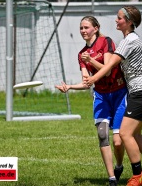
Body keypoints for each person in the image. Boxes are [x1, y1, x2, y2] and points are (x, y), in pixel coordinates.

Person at [83, 6, 142, 186]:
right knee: (135, 134)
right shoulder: (130, 39)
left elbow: (109, 66)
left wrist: (93, 79)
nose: (116, 20)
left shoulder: (128, 41)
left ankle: (138, 174)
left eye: (119, 18)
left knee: (125, 134)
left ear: (129, 21)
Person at [55, 16, 127, 186]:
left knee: (117, 141)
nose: (83, 31)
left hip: (118, 93)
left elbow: (108, 71)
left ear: (96, 28)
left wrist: (91, 61)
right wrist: (70, 87)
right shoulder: (81, 54)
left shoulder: (106, 42)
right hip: (101, 95)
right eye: (81, 28)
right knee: (102, 135)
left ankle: (119, 165)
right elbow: (87, 82)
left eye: (86, 27)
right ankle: (111, 179)